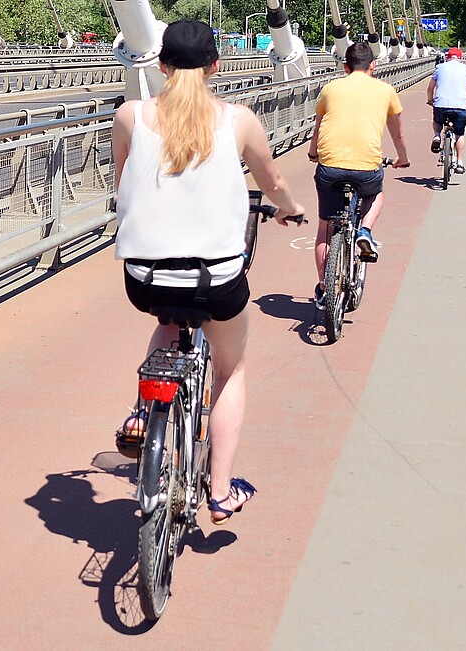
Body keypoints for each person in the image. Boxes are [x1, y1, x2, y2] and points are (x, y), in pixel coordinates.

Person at [110, 19, 307, 525]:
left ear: (160, 65)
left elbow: (123, 181)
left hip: (145, 276)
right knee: (230, 370)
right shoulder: (238, 120)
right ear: (216, 65)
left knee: (167, 320)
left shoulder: (131, 115)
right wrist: (289, 208)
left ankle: (140, 412)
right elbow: (274, 179)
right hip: (215, 280)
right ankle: (219, 492)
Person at [306, 41, 411, 294]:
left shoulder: (330, 89)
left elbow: (319, 127)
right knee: (375, 194)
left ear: (345, 66)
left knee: (325, 227)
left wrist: (313, 153)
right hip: (366, 168)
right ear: (373, 65)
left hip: (329, 167)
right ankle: (364, 230)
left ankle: (324, 287)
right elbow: (398, 135)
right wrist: (402, 159)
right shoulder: (386, 91)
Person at [427, 47, 466, 174]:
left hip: (441, 104)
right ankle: (460, 163)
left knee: (438, 121)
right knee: (459, 134)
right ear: (460, 58)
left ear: (448, 57)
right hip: (460, 106)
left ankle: (437, 136)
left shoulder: (440, 67)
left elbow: (430, 88)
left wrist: (430, 100)